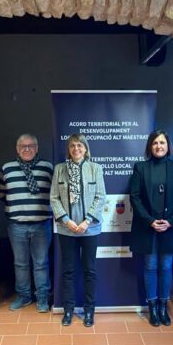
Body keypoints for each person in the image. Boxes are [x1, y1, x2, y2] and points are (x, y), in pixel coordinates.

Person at [129, 130, 173, 327]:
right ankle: (153, 308)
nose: (159, 146)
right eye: (155, 143)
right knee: (150, 266)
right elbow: (134, 197)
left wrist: (170, 221)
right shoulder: (140, 167)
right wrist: (149, 221)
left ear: (168, 146)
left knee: (166, 266)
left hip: (170, 227)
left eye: (162, 142)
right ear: (150, 146)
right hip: (148, 227)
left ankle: (164, 307)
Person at [50, 134, 105, 327]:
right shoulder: (60, 169)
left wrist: (87, 221)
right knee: (68, 271)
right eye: (72, 146)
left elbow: (100, 196)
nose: (76, 149)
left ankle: (89, 311)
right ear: (68, 149)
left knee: (89, 270)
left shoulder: (95, 168)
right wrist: (66, 220)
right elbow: (54, 198)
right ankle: (68, 310)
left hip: (90, 229)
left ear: (85, 148)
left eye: (80, 145)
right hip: (67, 230)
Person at [0, 134, 54, 312]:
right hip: (17, 225)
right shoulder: (7, 168)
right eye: (23, 146)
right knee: (20, 263)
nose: (27, 149)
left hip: (42, 224)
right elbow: (1, 194)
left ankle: (42, 297)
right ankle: (24, 296)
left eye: (31, 146)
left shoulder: (47, 167)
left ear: (37, 148)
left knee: (41, 263)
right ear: (17, 148)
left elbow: (55, 194)